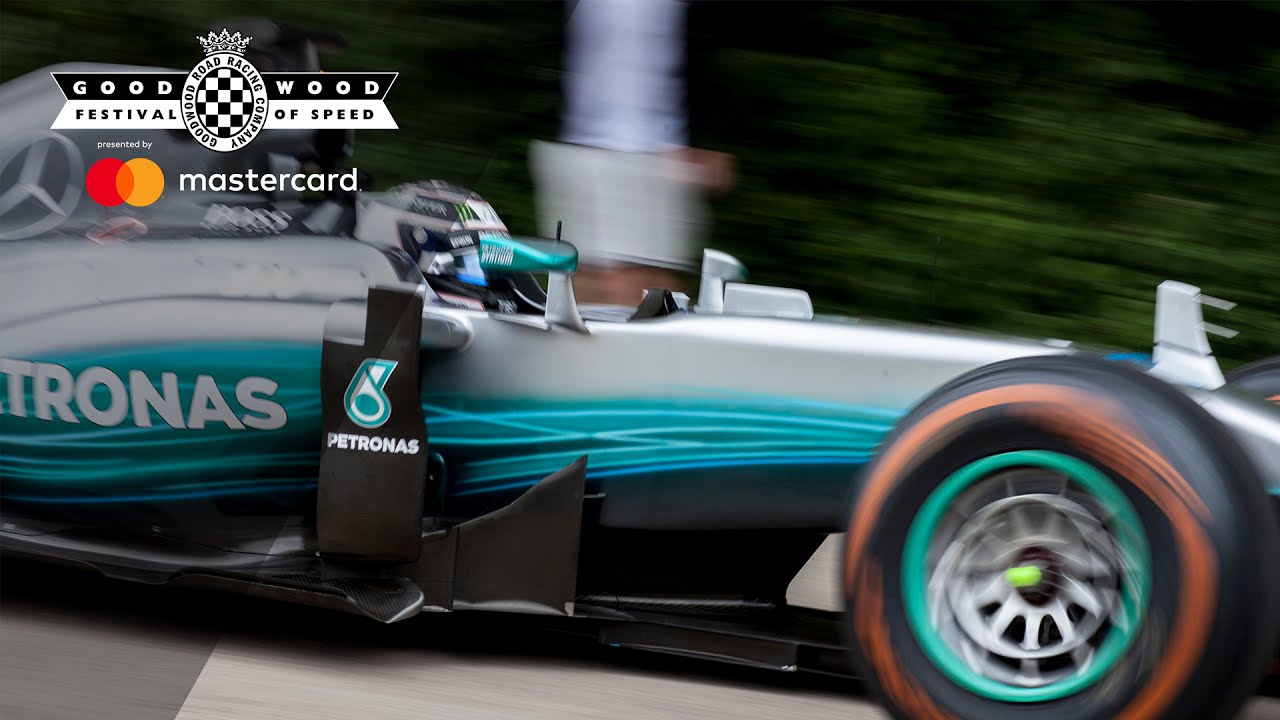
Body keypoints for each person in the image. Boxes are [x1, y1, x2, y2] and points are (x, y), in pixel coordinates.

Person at [530, 0, 733, 307]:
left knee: (638, 291)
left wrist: (707, 138)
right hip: (576, 148)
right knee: (577, 289)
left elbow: (703, 48)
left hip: (655, 151)